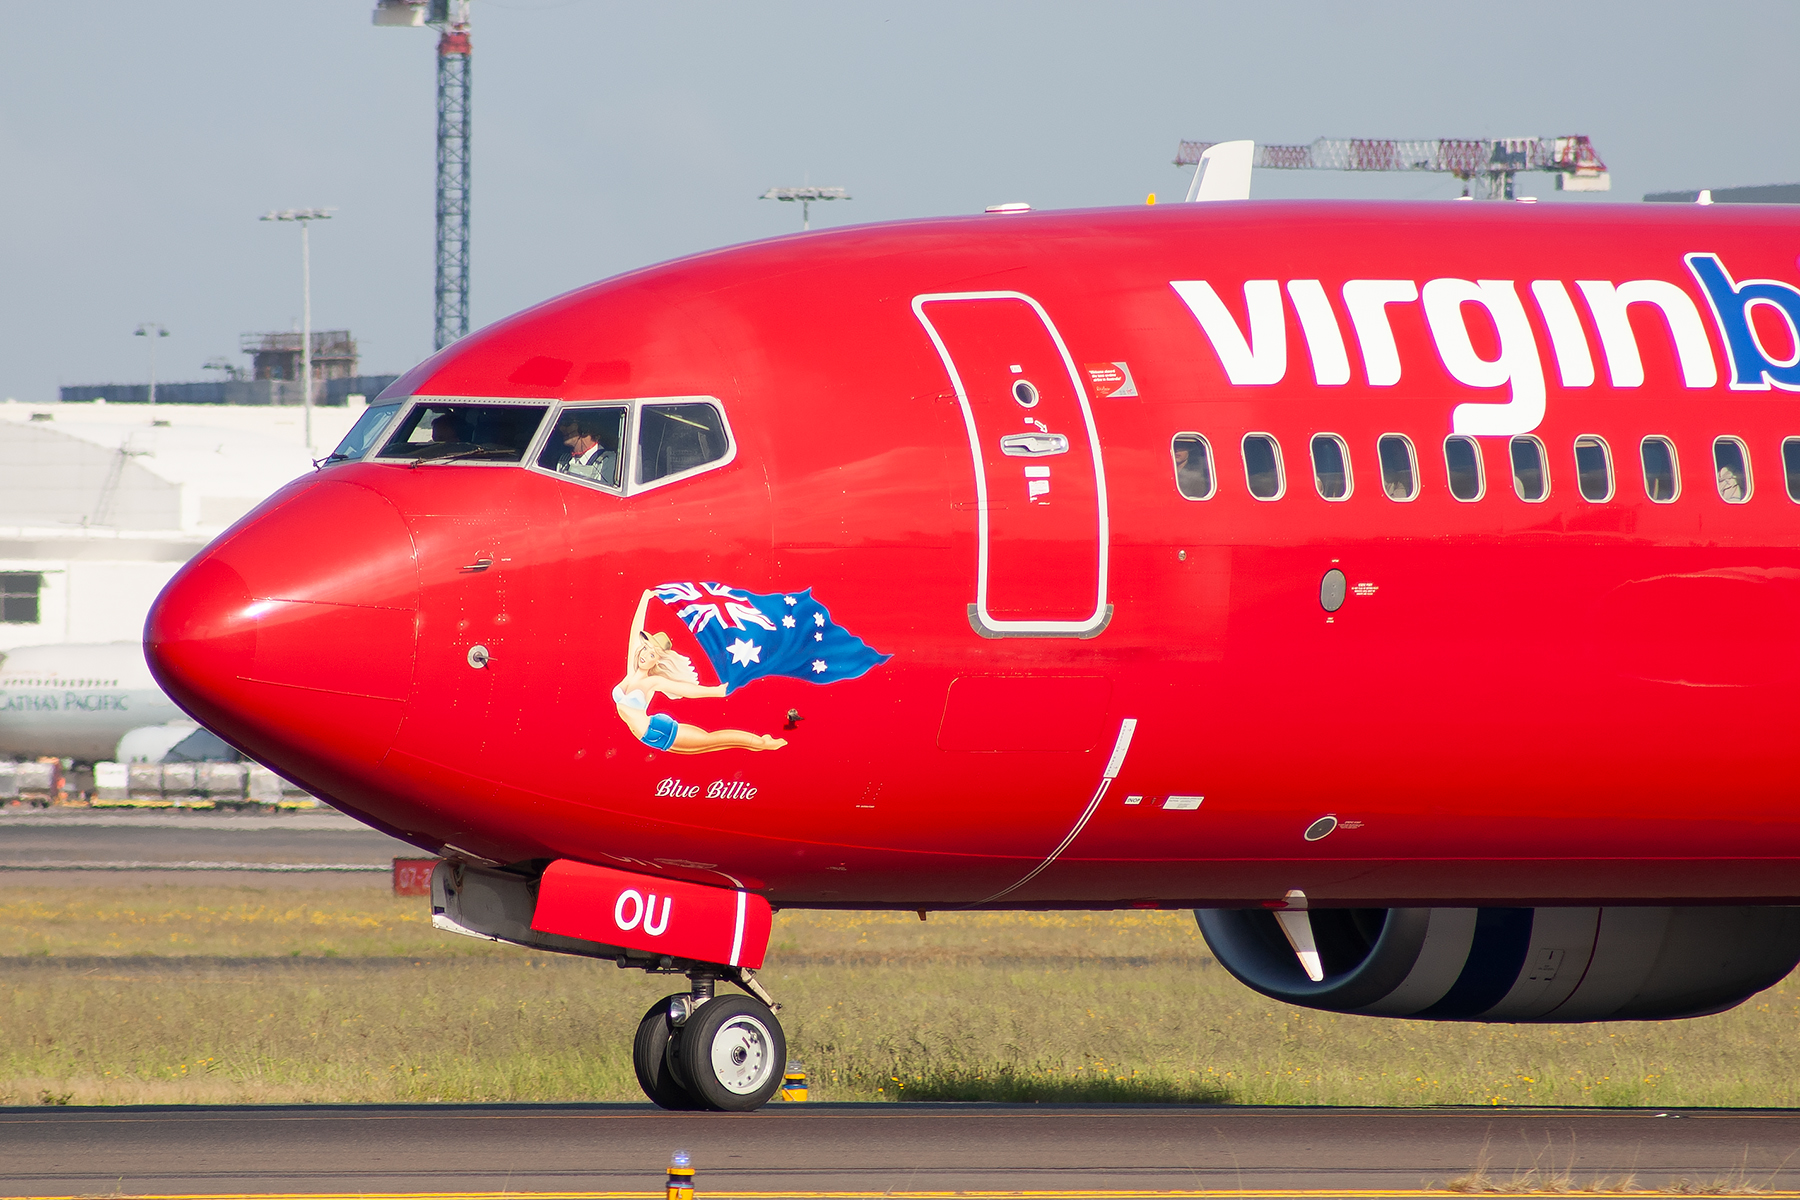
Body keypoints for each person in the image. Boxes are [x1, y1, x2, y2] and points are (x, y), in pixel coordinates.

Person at [613, 590, 786, 754]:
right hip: (648, 737)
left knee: (712, 740)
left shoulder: (653, 681)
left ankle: (763, 742)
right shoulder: (632, 671)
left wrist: (718, 691)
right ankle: (761, 743)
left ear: (657, 660)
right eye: (645, 649)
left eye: (652, 654)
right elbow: (635, 631)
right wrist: (645, 599)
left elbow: (687, 690)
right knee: (713, 746)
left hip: (656, 731)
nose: (644, 655)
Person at [555, 411, 618, 485]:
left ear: (584, 429)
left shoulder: (608, 461)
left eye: (567, 423)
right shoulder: (563, 460)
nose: (561, 428)